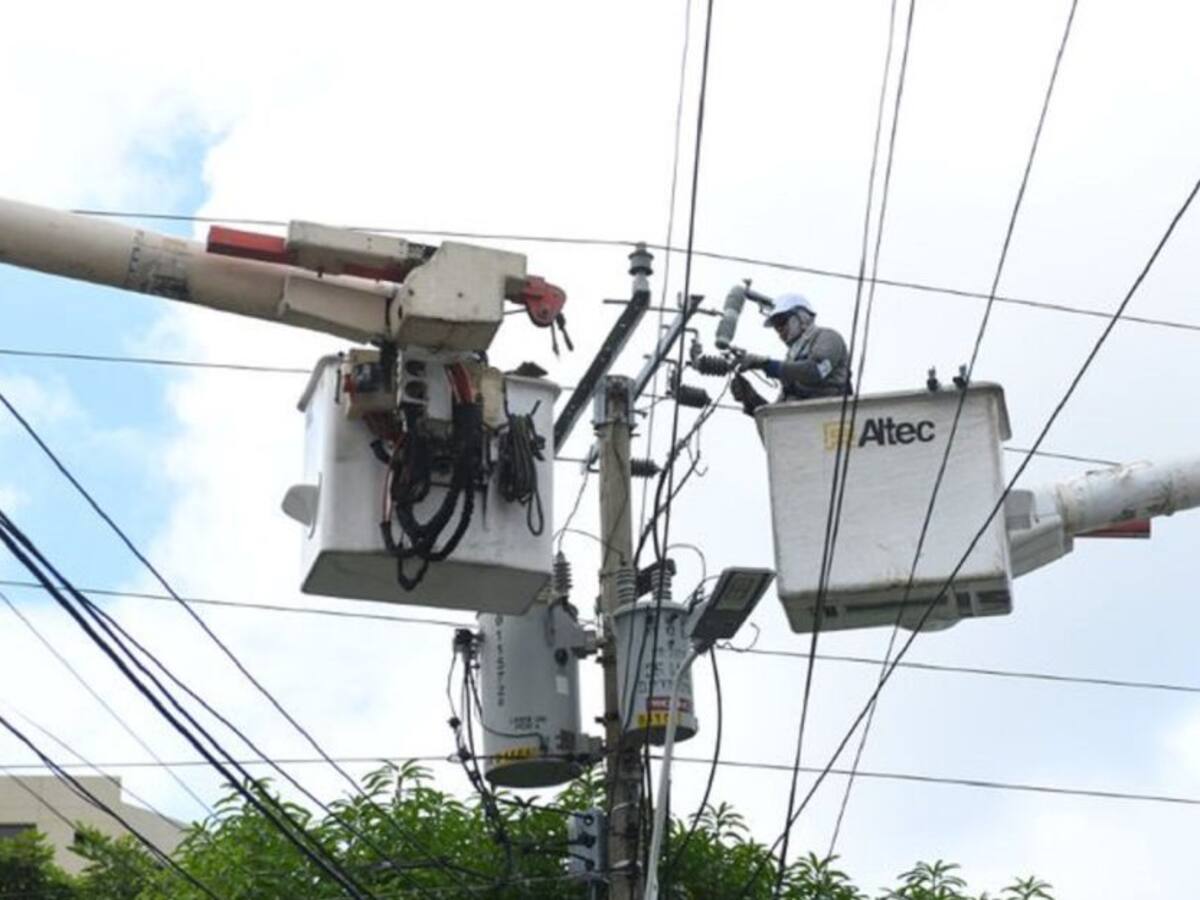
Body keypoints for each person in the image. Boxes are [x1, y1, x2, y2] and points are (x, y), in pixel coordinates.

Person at [730, 293, 850, 416]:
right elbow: (776, 417)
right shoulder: (791, 359)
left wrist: (767, 365)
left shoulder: (827, 337)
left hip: (832, 418)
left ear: (802, 317)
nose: (779, 330)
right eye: (776, 327)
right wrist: (750, 398)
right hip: (804, 424)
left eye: (781, 322)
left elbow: (815, 370)